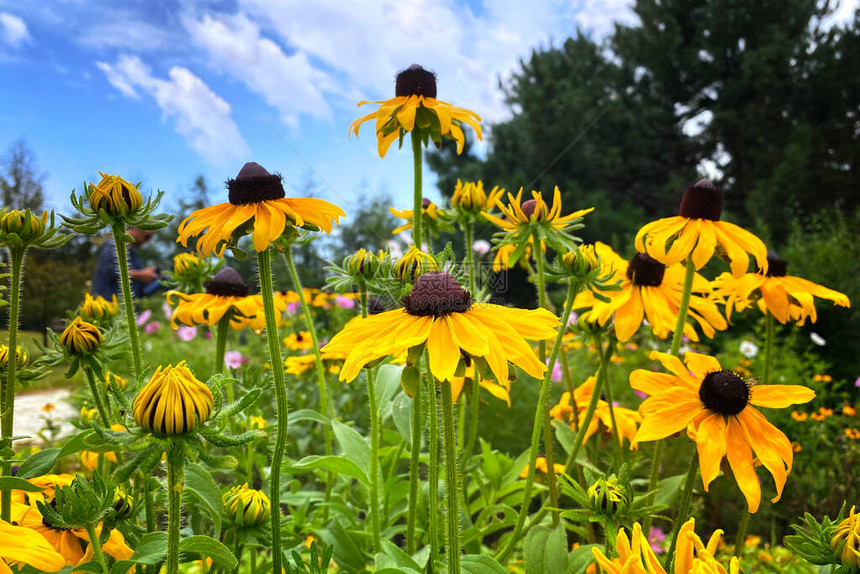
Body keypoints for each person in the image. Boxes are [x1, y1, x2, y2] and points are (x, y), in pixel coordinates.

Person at [91, 227, 162, 300]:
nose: (147, 241)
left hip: (126, 305)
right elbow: (110, 272)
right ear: (136, 228)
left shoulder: (134, 255)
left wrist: (151, 279)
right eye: (147, 237)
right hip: (106, 302)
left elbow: (139, 289)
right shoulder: (113, 245)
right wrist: (142, 274)